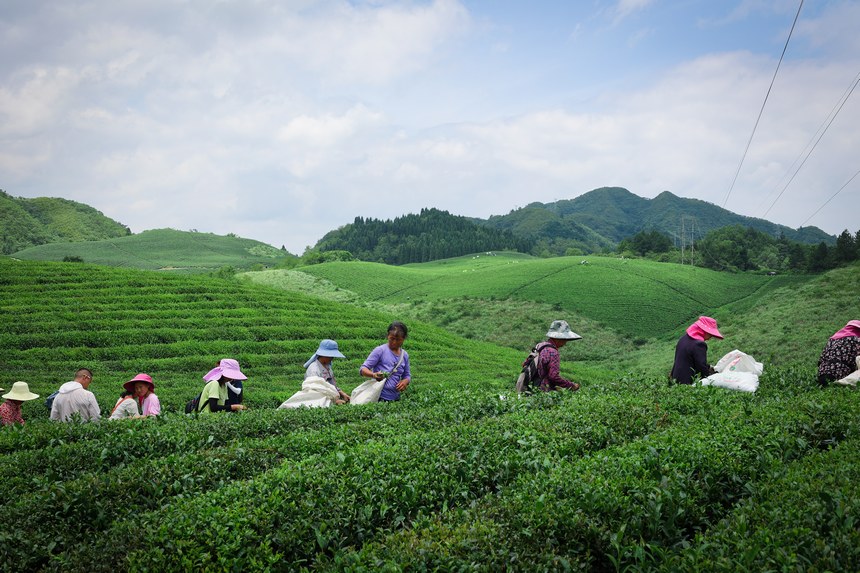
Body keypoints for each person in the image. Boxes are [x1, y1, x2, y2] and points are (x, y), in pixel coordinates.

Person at [359, 321, 412, 402]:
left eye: (398, 340)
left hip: (396, 398)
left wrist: (405, 381)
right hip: (379, 396)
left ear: (403, 339)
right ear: (388, 336)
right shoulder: (380, 350)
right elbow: (363, 369)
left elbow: (407, 375)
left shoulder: (404, 355)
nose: (394, 342)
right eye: (392, 339)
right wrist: (373, 375)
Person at [671, 316, 724, 385]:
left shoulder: (684, 338)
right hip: (687, 381)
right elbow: (701, 366)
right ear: (704, 331)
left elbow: (690, 360)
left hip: (676, 378)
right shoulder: (699, 344)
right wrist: (710, 379)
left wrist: (708, 367)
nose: (710, 338)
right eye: (710, 335)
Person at [535, 319, 582, 392]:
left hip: (532, 386)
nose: (565, 342)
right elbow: (553, 376)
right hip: (542, 390)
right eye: (564, 339)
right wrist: (571, 385)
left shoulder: (540, 346)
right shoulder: (553, 353)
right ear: (558, 338)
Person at [305, 339, 350, 404]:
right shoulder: (314, 370)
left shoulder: (327, 366)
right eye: (330, 356)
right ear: (323, 355)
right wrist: (334, 401)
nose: (332, 358)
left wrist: (342, 394)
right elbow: (316, 391)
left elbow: (331, 385)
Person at [817, 320, 860, 387]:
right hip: (840, 375)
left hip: (821, 376)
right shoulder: (856, 339)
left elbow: (821, 360)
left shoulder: (832, 339)